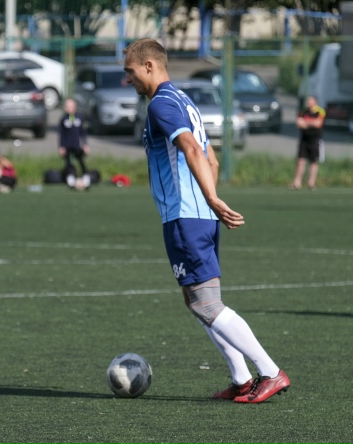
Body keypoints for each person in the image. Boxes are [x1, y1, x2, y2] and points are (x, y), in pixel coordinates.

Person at [123, 38, 290, 404]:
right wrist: (208, 200)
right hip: (197, 214)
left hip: (186, 216)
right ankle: (241, 378)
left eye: (130, 71)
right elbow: (210, 159)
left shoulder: (161, 104)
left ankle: (270, 372)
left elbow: (192, 149)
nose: (127, 79)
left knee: (207, 305)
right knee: (196, 300)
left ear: (149, 66)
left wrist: (210, 199)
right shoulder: (184, 100)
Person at [289, 95, 326, 191]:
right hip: (304, 139)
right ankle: (297, 183)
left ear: (315, 102)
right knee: (300, 161)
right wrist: (311, 123)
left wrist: (306, 122)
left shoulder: (320, 111)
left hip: (315, 139)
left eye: (310, 100)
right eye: (307, 100)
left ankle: (311, 183)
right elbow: (299, 123)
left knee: (313, 162)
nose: (308, 102)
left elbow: (318, 123)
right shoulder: (303, 111)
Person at [58, 98, 90, 189]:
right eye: (66, 106)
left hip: (77, 145)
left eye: (69, 106)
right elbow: (61, 134)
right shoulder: (64, 119)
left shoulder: (80, 118)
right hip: (67, 145)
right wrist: (61, 146)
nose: (67, 108)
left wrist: (85, 145)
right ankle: (71, 179)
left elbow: (83, 133)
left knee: (81, 161)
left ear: (74, 107)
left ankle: (86, 178)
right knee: (68, 163)